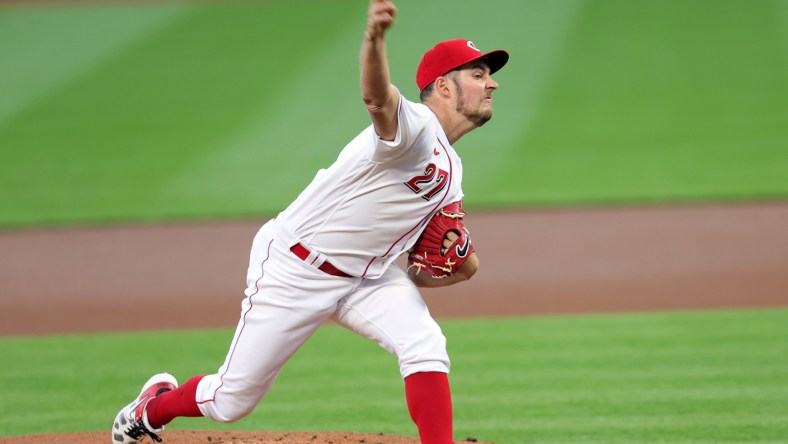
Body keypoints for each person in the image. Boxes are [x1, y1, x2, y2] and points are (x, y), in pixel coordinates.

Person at [111, 1, 508, 443]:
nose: (491, 83)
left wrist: (458, 269)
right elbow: (378, 98)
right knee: (231, 402)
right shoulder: (414, 129)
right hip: (296, 268)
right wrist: (374, 39)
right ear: (444, 88)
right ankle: (152, 407)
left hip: (367, 279)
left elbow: (428, 266)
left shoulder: (451, 168)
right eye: (477, 73)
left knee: (424, 344)